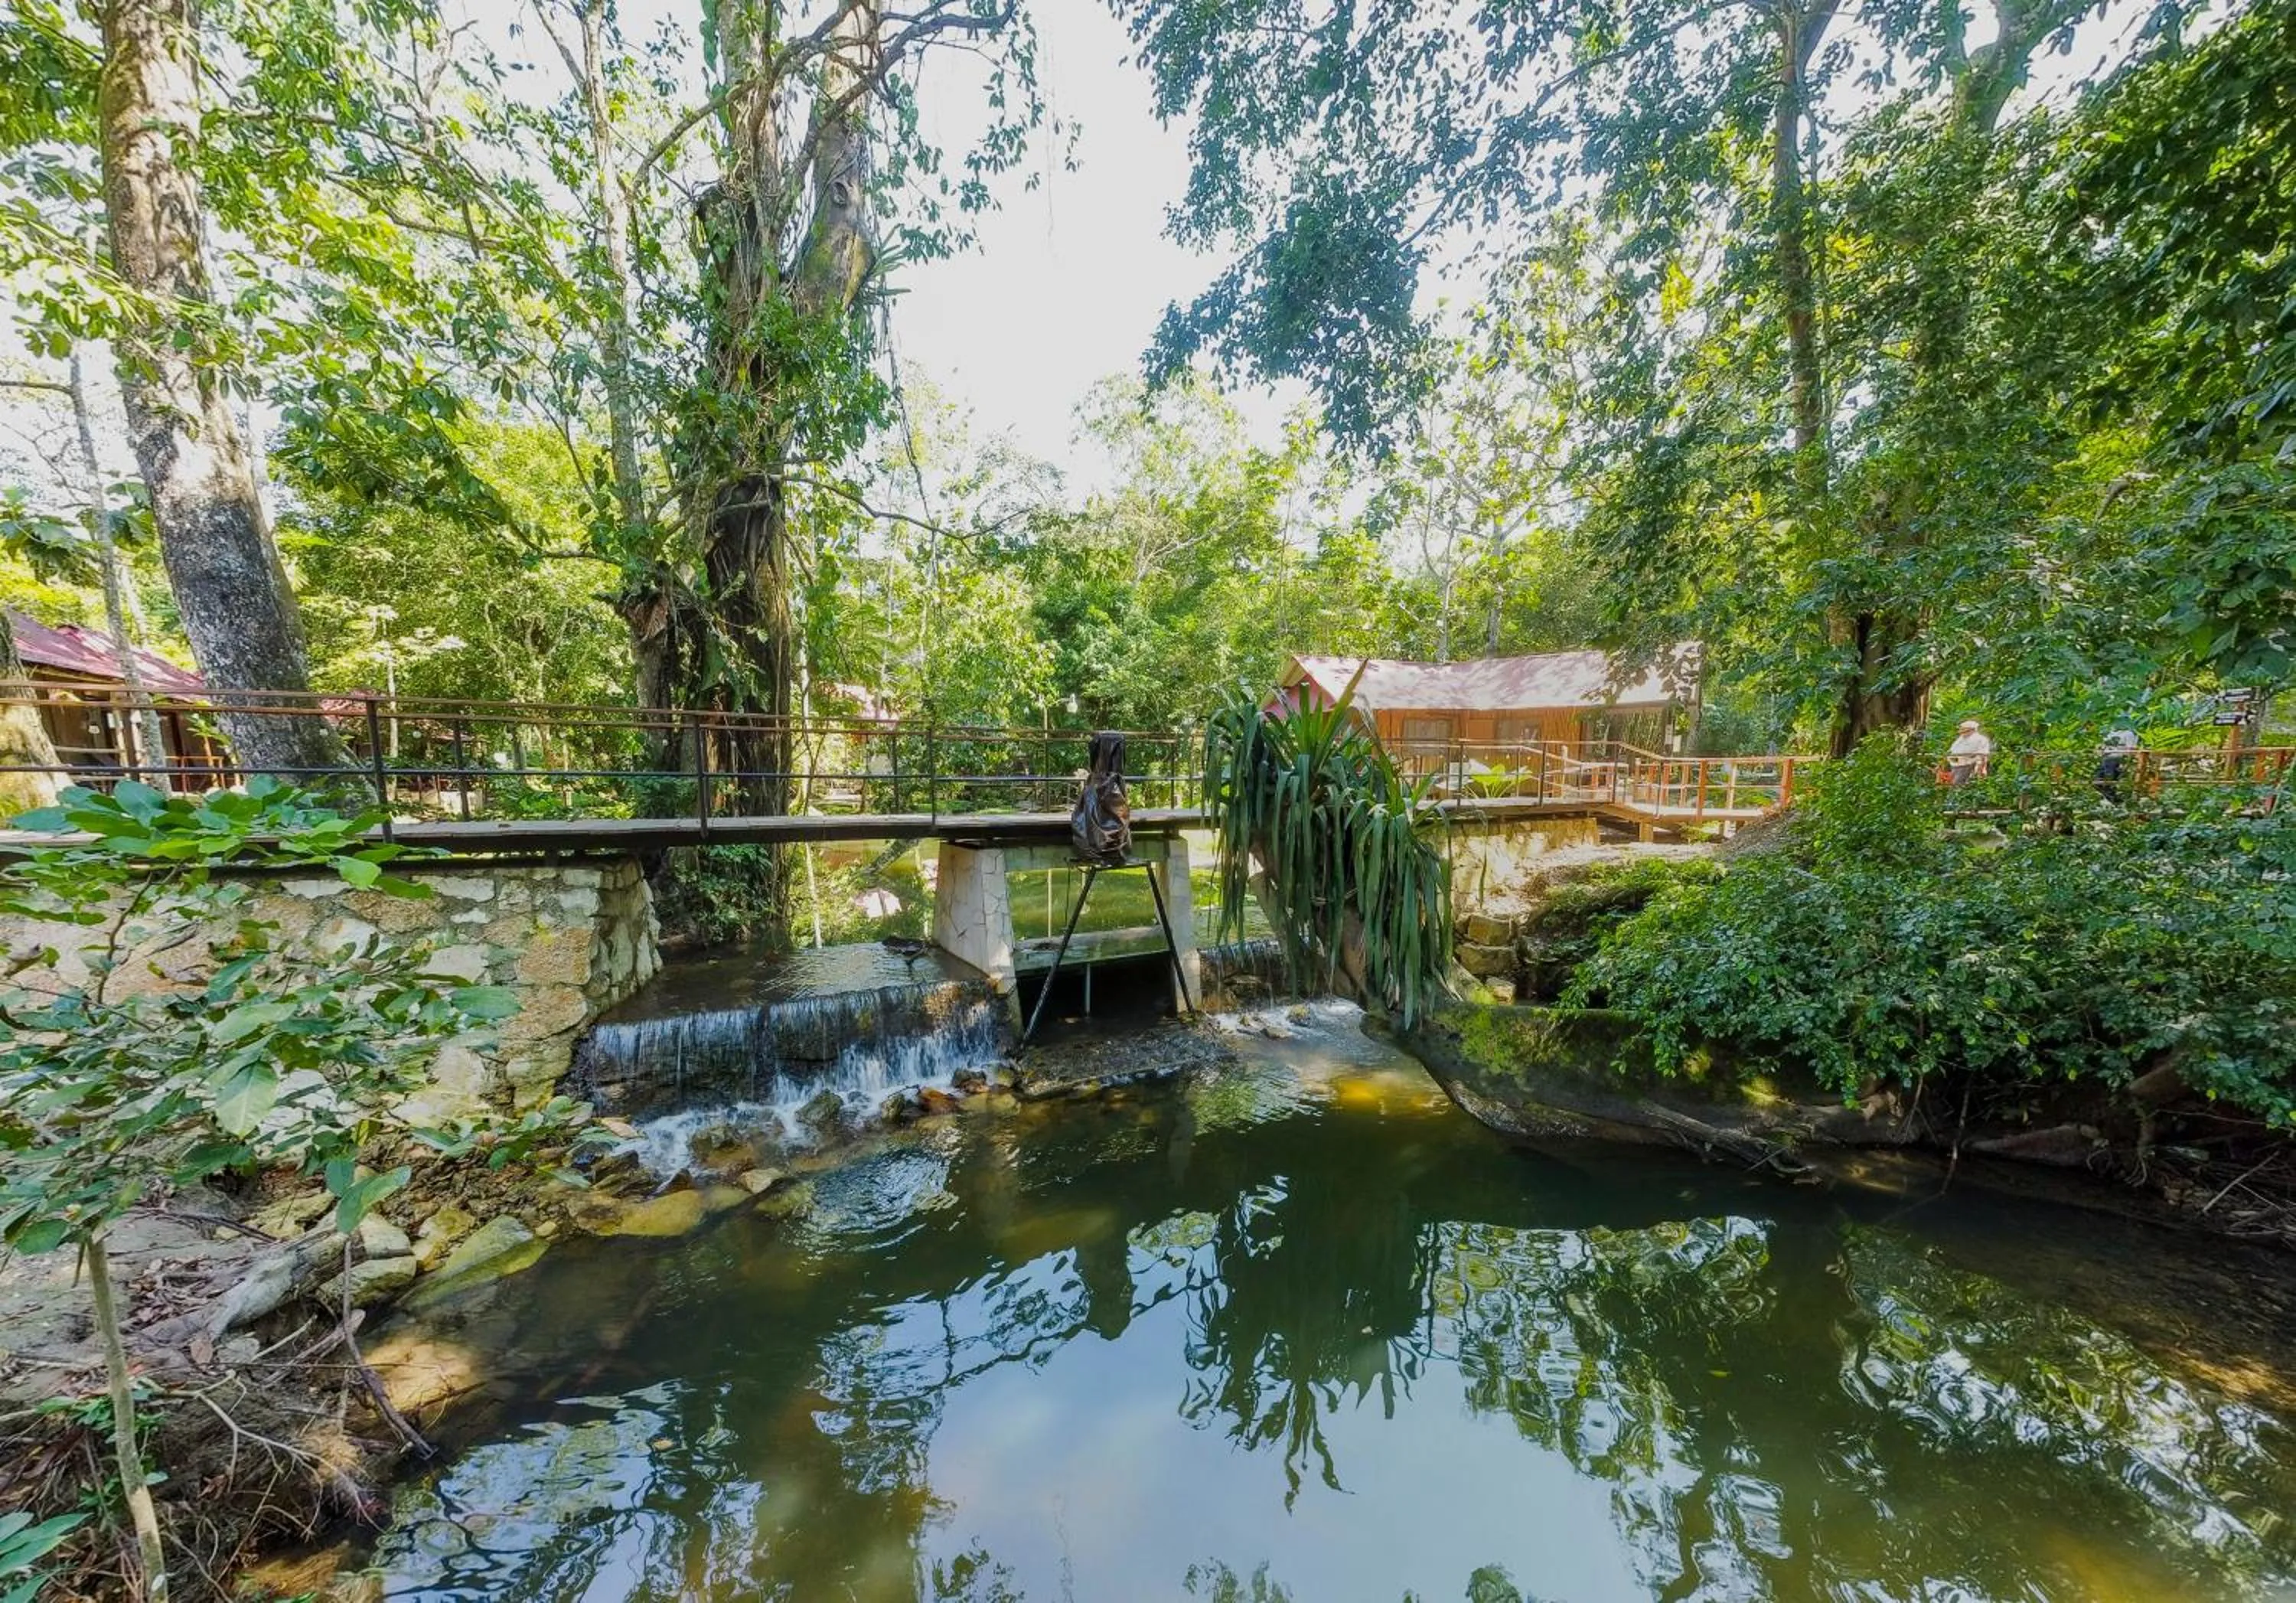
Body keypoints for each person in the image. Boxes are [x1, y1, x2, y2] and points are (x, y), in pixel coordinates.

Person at [1945, 718, 1993, 787]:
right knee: (1953, 784)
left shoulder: (1980, 739)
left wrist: (1980, 766)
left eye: (1965, 730)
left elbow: (1983, 754)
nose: (1963, 733)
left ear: (1972, 730)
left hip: (1969, 765)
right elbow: (1952, 751)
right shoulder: (1960, 740)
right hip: (1955, 766)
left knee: (1961, 784)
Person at [2095, 726, 2141, 800]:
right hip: (2106, 759)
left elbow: (2132, 750)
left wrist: (2126, 763)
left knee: (2109, 782)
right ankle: (2115, 801)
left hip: (2117, 759)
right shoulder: (2109, 732)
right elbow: (2102, 747)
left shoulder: (2129, 734)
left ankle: (2116, 801)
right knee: (2097, 782)